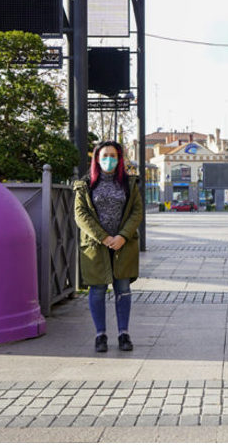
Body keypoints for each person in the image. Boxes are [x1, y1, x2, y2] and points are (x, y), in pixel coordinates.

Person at [74, 141, 143, 353]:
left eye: (113, 155)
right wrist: (104, 237)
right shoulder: (85, 185)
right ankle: (100, 334)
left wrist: (122, 236)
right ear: (96, 158)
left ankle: (124, 333)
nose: (109, 160)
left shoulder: (128, 184)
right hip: (96, 246)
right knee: (97, 289)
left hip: (123, 245)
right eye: (105, 155)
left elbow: (137, 212)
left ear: (119, 159)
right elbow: (80, 214)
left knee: (123, 288)